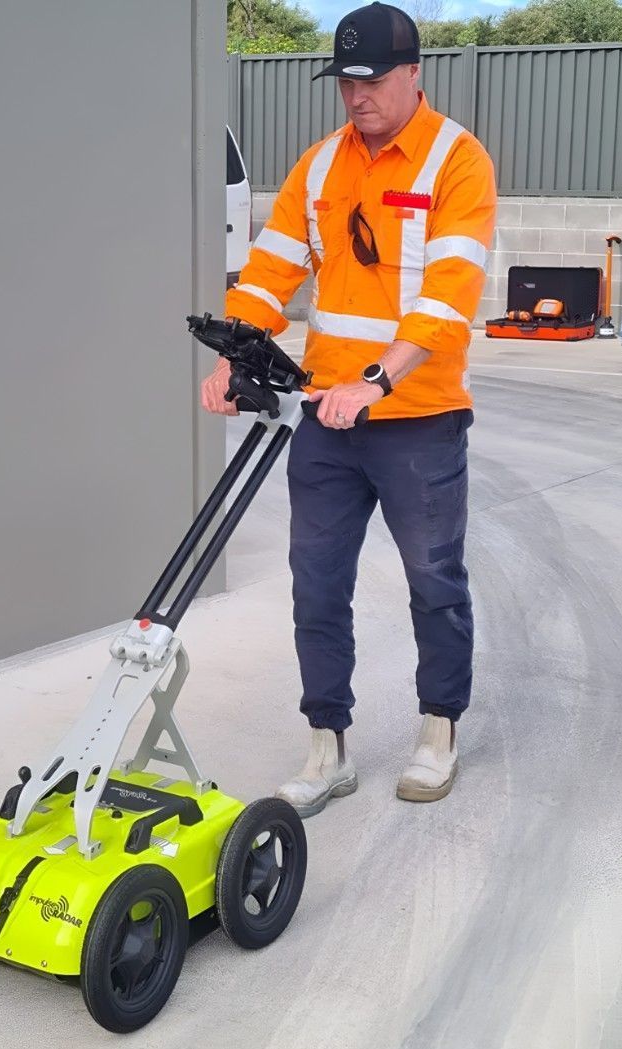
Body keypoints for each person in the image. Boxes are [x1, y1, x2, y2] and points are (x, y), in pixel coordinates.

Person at [202, 2, 497, 815]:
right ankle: (326, 745)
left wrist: (377, 378)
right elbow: (270, 272)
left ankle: (437, 732)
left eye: (370, 80)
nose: (356, 96)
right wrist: (235, 353)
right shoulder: (321, 164)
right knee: (315, 585)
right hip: (326, 423)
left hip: (418, 420)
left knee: (433, 581)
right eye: (345, 82)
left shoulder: (455, 161)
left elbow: (447, 298)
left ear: (411, 73)